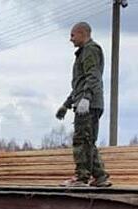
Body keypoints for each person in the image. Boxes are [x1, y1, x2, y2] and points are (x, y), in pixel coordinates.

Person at [56, 22, 111, 187]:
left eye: (72, 35)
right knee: (88, 141)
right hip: (87, 101)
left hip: (88, 103)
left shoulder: (90, 50)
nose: (70, 39)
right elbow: (80, 84)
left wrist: (86, 98)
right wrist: (66, 105)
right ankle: (100, 176)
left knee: (81, 141)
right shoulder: (84, 52)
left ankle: (81, 178)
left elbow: (93, 77)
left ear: (82, 33)